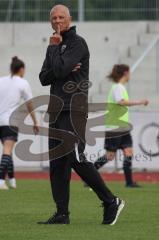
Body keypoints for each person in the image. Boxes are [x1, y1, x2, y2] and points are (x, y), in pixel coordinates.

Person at [38, 4, 125, 225]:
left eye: (61, 17)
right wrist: (58, 58)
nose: (57, 21)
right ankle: (61, 214)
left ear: (70, 18)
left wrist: (56, 56)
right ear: (50, 20)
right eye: (54, 18)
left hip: (74, 109)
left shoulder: (77, 43)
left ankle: (110, 201)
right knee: (58, 163)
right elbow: (44, 77)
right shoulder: (54, 44)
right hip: (57, 110)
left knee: (75, 157)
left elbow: (56, 71)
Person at [92, 64, 149, 187]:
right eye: (129, 72)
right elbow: (121, 101)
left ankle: (129, 182)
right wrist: (140, 102)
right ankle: (89, 176)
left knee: (128, 152)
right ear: (125, 73)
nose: (130, 75)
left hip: (123, 127)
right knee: (110, 156)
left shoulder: (120, 87)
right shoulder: (117, 87)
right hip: (114, 127)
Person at [0, 56, 39, 190]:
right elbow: (29, 104)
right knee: (7, 150)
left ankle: (12, 180)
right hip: (10, 121)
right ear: (21, 69)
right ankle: (0, 181)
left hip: (0, 122)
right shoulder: (22, 83)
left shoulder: (1, 81)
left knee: (7, 150)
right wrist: (35, 122)